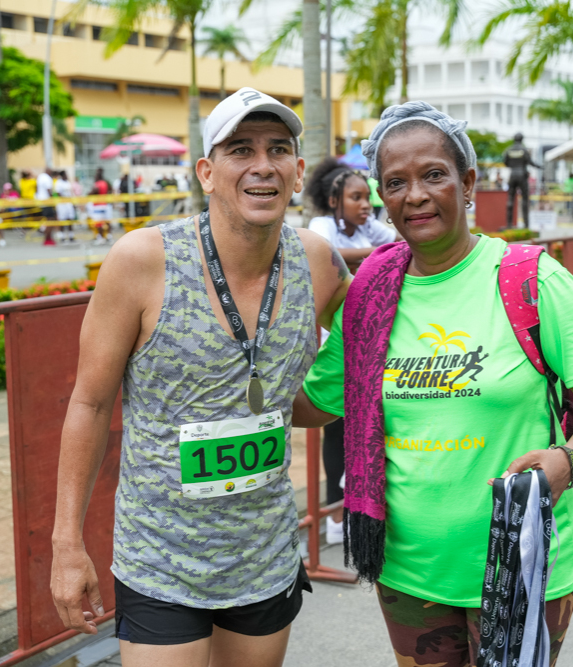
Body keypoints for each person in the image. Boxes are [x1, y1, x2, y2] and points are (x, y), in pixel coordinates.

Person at [293, 102, 573, 666]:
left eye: (433, 175)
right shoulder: (371, 293)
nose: (415, 195)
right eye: (395, 183)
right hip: (408, 574)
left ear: (467, 181)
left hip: (519, 563)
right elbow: (312, 403)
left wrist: (568, 461)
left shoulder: (532, 279)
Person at [49, 88, 351, 667]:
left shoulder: (318, 260)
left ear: (297, 171)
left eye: (278, 150)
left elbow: (353, 357)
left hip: (264, 552)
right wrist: (67, 543)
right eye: (240, 149)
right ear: (207, 173)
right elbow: (88, 403)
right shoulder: (142, 261)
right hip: (160, 556)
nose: (262, 165)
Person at [305, 157, 399, 544]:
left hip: (371, 342)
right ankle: (335, 517)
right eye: (356, 198)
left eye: (368, 197)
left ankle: (361, 506)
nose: (365, 205)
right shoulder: (322, 227)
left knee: (368, 427)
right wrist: (375, 259)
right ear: (333, 200)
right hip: (336, 347)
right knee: (337, 431)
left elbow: (397, 243)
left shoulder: (366, 227)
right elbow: (324, 255)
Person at [502, 132, 539, 228]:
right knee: (525, 199)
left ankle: (509, 224)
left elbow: (505, 162)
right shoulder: (524, 150)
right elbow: (531, 162)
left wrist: (513, 166)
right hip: (522, 175)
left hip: (512, 175)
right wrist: (539, 166)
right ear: (522, 139)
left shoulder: (509, 150)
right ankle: (526, 224)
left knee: (510, 198)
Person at [88, 168, 113, 245]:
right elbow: (110, 190)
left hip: (98, 205)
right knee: (106, 222)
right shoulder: (105, 183)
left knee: (99, 223)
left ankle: (100, 238)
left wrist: (89, 194)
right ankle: (109, 237)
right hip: (105, 204)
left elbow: (95, 191)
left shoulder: (97, 184)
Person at [55, 170, 77, 244]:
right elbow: (58, 193)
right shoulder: (59, 183)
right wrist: (65, 199)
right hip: (62, 205)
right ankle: (62, 236)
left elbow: (71, 193)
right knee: (62, 220)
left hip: (69, 204)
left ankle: (71, 236)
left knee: (70, 219)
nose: (67, 176)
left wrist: (73, 203)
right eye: (65, 175)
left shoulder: (68, 183)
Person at [36, 168, 56, 245]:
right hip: (47, 201)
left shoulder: (40, 177)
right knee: (50, 221)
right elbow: (49, 190)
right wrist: (53, 200)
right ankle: (47, 238)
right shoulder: (47, 178)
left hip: (41, 201)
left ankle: (46, 235)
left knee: (48, 220)